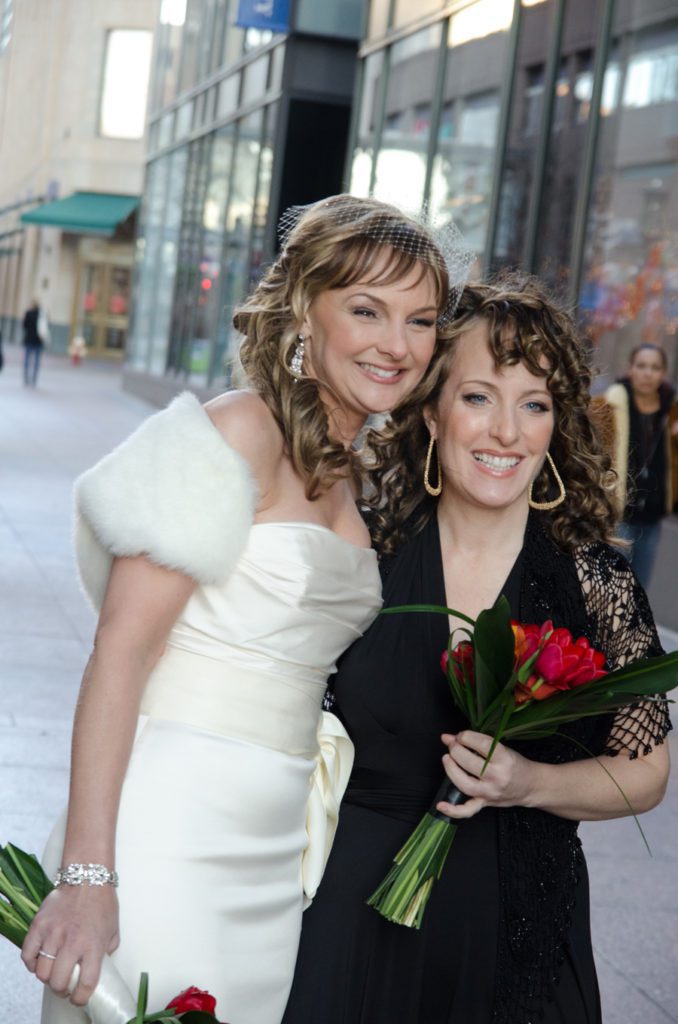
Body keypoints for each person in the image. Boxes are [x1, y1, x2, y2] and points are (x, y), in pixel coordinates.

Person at [21, 194, 465, 1024]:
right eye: (367, 310)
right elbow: (120, 651)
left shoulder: (358, 476)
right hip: (171, 825)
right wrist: (86, 878)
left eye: (421, 320)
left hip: (275, 845)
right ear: (306, 308)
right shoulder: (235, 433)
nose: (397, 344)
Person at [282, 276, 671, 1024]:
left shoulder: (595, 583)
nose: (506, 432)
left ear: (556, 425)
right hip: (350, 925)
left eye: (534, 405)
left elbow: (646, 774)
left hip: (520, 931)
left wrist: (529, 782)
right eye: (478, 397)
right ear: (432, 411)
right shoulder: (365, 551)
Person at [595, 344, 678, 588]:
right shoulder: (609, 405)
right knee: (609, 588)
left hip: (652, 518)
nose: (647, 373)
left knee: (638, 589)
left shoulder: (673, 411)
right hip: (617, 515)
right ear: (630, 369)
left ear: (663, 373)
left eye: (655, 367)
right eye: (641, 366)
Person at [23, 299, 46, 387]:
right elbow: (46, 326)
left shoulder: (28, 313)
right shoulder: (42, 314)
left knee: (27, 360)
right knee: (36, 361)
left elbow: (24, 325)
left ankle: (26, 378)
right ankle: (34, 379)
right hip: (38, 341)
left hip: (29, 339)